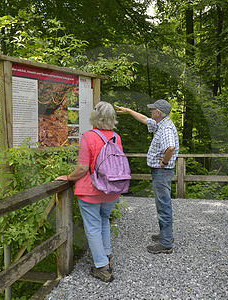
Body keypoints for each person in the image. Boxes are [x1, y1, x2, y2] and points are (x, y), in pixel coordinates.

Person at [55, 101, 122, 283]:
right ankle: (106, 256)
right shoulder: (116, 137)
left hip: (91, 190)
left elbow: (83, 168)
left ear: (94, 117)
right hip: (112, 189)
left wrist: (68, 178)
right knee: (104, 221)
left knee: (92, 227)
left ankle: (102, 267)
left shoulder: (88, 136)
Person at [116, 99, 179, 254]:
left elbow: (170, 147)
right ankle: (166, 235)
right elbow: (144, 119)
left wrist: (164, 162)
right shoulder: (161, 124)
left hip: (162, 171)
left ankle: (165, 243)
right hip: (161, 172)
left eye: (153, 110)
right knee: (163, 204)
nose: (150, 112)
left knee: (163, 205)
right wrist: (129, 111)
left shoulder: (166, 130)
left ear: (159, 112)